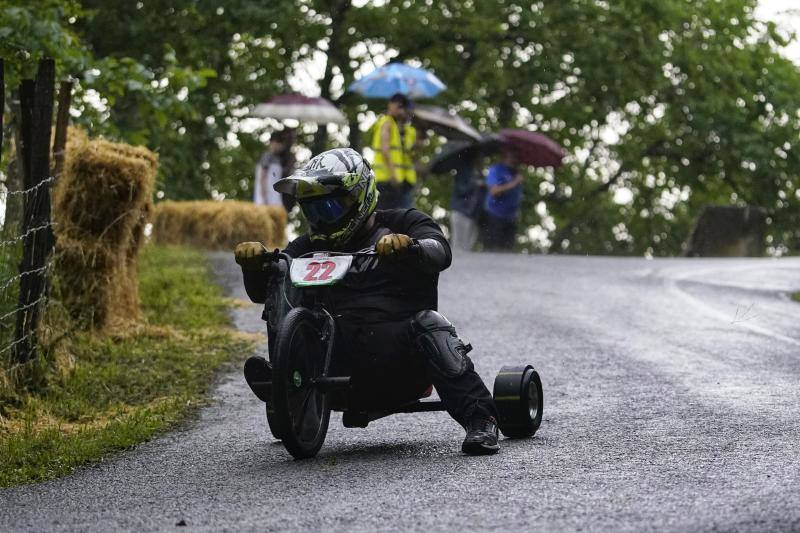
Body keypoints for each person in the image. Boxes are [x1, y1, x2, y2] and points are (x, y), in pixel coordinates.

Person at [235, 148, 500, 455]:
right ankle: (286, 383)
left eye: (330, 207)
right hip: (331, 362)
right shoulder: (307, 246)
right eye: (314, 209)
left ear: (359, 196)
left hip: (398, 362)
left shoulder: (404, 222)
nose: (322, 218)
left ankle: (482, 418)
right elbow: (264, 293)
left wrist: (409, 247)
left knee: (430, 324)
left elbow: (440, 251)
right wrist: (255, 267)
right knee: (292, 292)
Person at [371, 93, 419, 210]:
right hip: (387, 179)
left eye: (402, 107)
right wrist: (393, 174)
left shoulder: (404, 129)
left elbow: (410, 156)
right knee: (387, 216)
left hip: (400, 181)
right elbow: (385, 150)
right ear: (390, 105)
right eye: (398, 106)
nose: (400, 110)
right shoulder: (387, 123)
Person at [481, 149, 523, 251]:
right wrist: (514, 183)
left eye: (517, 155)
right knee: (493, 251)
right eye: (512, 154)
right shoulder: (496, 169)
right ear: (505, 154)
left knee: (507, 252)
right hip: (494, 216)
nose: (515, 157)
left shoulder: (516, 173)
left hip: (511, 218)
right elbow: (494, 191)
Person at [449, 152, 484, 252]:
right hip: (461, 211)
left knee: (467, 247)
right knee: (458, 247)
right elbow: (461, 190)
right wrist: (475, 184)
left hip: (473, 215)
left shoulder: (479, 174)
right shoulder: (464, 171)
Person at [254, 129, 295, 208]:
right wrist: (264, 196)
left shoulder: (279, 159)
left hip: (274, 197)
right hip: (266, 198)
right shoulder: (267, 156)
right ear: (273, 142)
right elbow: (262, 177)